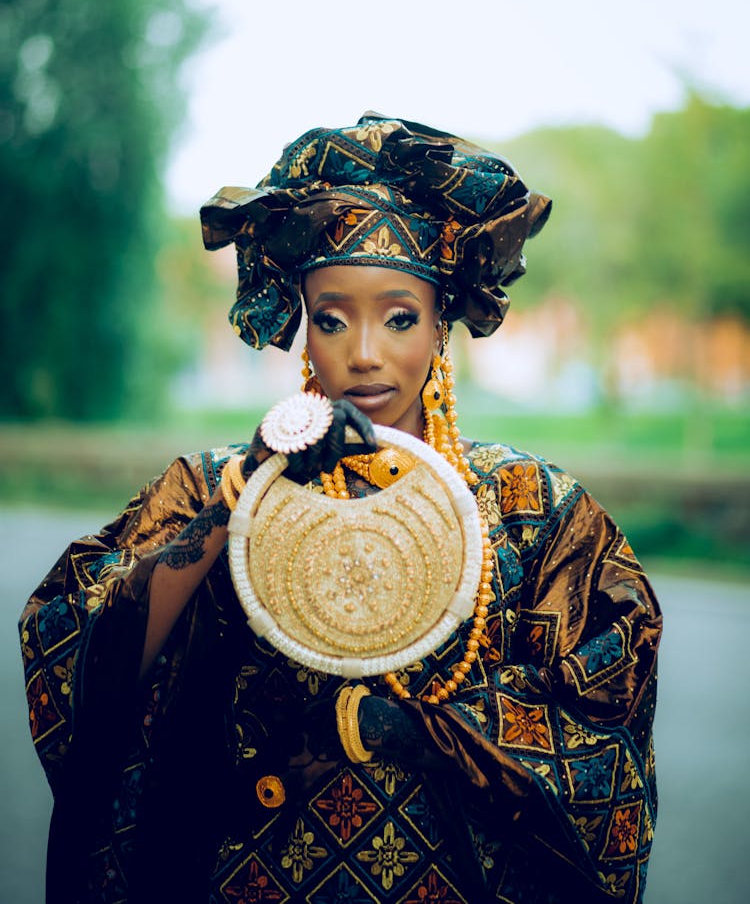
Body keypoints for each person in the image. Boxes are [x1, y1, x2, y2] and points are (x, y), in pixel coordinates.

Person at [20, 113, 662, 903]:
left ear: (440, 325)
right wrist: (242, 492)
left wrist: (414, 731)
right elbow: (75, 651)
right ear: (303, 329)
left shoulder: (536, 512)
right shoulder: (216, 484)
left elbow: (603, 720)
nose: (363, 351)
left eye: (398, 316)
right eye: (331, 316)